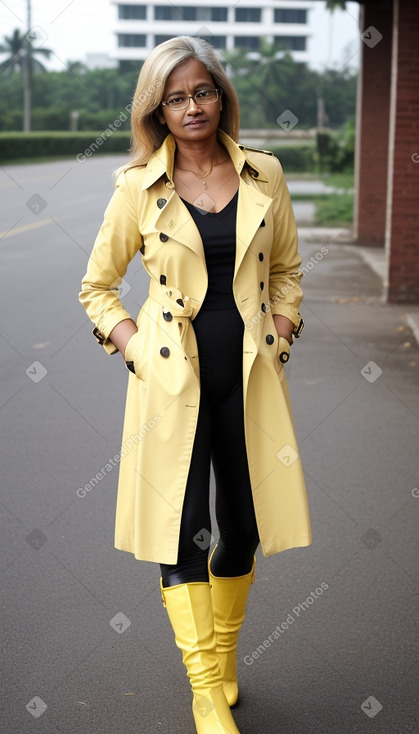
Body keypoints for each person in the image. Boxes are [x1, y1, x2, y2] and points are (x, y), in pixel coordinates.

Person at [79, 35, 312, 734]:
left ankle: (225, 654)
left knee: (240, 529)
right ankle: (204, 689)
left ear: (220, 95)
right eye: (174, 97)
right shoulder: (136, 187)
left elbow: (288, 273)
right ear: (156, 110)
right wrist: (138, 354)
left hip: (248, 382)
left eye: (201, 91)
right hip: (169, 389)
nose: (191, 107)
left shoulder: (264, 175)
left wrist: (281, 326)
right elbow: (97, 290)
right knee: (184, 532)